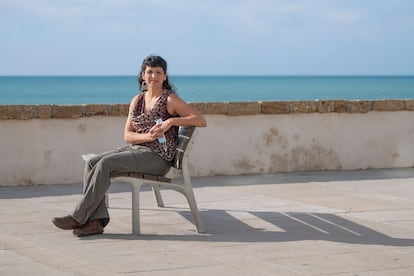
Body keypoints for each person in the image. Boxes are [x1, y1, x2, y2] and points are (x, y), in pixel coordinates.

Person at [52, 55, 207, 237]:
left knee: (105, 165)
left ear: (165, 76)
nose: (153, 76)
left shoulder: (170, 100)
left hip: (158, 159)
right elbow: (128, 135)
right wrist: (146, 136)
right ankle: (95, 221)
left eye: (159, 72)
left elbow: (200, 120)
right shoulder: (137, 100)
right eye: (149, 72)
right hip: (138, 150)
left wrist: (170, 122)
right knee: (92, 162)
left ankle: (78, 216)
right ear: (142, 75)